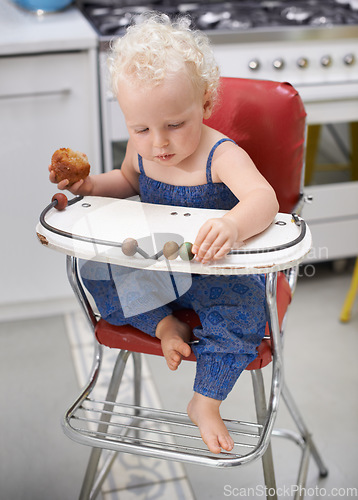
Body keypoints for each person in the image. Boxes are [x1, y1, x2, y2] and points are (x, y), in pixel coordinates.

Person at [49, 13, 279, 454]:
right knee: (95, 270)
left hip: (217, 276)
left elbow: (263, 199)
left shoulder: (221, 155)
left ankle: (205, 400)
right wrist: (92, 186)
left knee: (245, 316)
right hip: (158, 269)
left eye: (174, 125)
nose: (159, 143)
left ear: (206, 102)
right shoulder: (144, 150)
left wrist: (232, 224)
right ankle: (164, 325)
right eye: (141, 129)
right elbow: (129, 182)